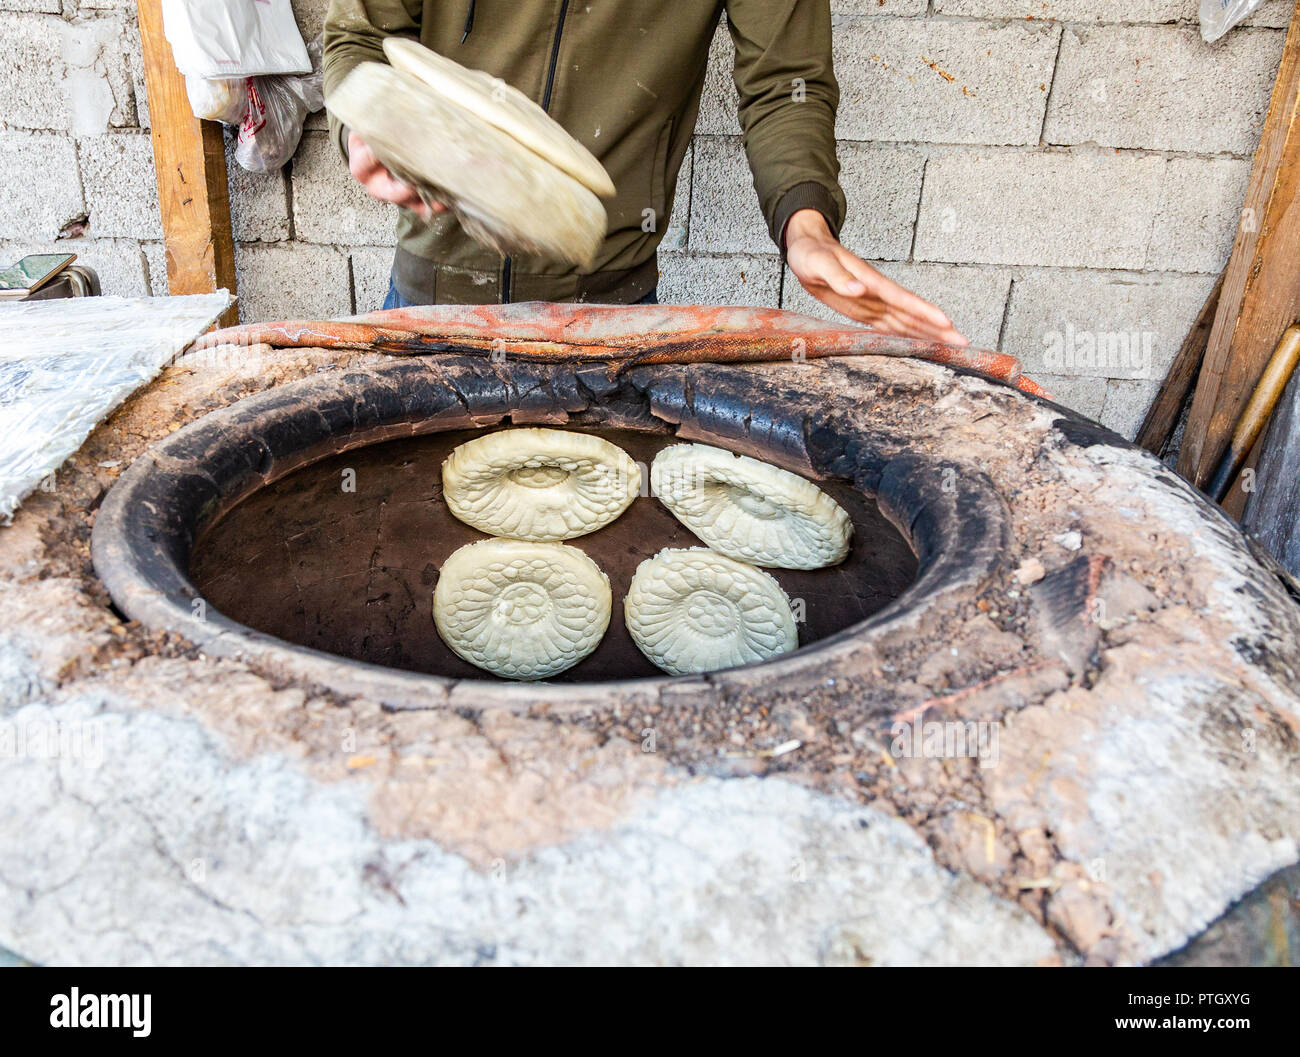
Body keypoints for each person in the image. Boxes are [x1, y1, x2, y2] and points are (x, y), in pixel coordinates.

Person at [323, 0, 966, 344]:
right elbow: (359, 38)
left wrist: (806, 225)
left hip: (610, 309)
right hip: (431, 296)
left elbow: (783, 81)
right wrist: (368, 126)